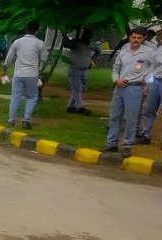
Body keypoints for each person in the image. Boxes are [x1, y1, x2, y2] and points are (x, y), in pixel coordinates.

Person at [105, 26, 154, 158]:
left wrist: (148, 83)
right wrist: (116, 80)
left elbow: (155, 69)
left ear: (143, 39)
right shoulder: (124, 51)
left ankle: (127, 146)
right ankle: (111, 144)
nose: (136, 40)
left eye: (139, 37)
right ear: (129, 37)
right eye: (133, 37)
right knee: (115, 116)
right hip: (120, 87)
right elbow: (115, 69)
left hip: (135, 88)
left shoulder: (149, 53)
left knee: (131, 119)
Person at [2, 21, 48, 129]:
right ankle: (26, 121)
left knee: (15, 97)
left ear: (25, 30)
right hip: (32, 75)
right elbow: (44, 58)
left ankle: (11, 120)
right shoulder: (39, 43)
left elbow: (9, 58)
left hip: (18, 74)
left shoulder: (17, 42)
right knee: (32, 97)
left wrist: (4, 69)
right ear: (36, 31)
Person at [62, 28, 99, 116]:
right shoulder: (76, 43)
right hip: (74, 70)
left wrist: (91, 60)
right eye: (86, 34)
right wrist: (64, 35)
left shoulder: (91, 44)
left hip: (85, 70)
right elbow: (66, 44)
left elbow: (98, 51)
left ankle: (70, 107)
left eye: (89, 35)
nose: (88, 37)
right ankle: (80, 107)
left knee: (78, 89)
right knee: (77, 89)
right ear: (83, 34)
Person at [136, 30, 162, 145]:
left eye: (159, 35)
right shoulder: (159, 49)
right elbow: (152, 67)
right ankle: (146, 135)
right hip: (156, 81)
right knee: (150, 109)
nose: (157, 37)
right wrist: (148, 83)